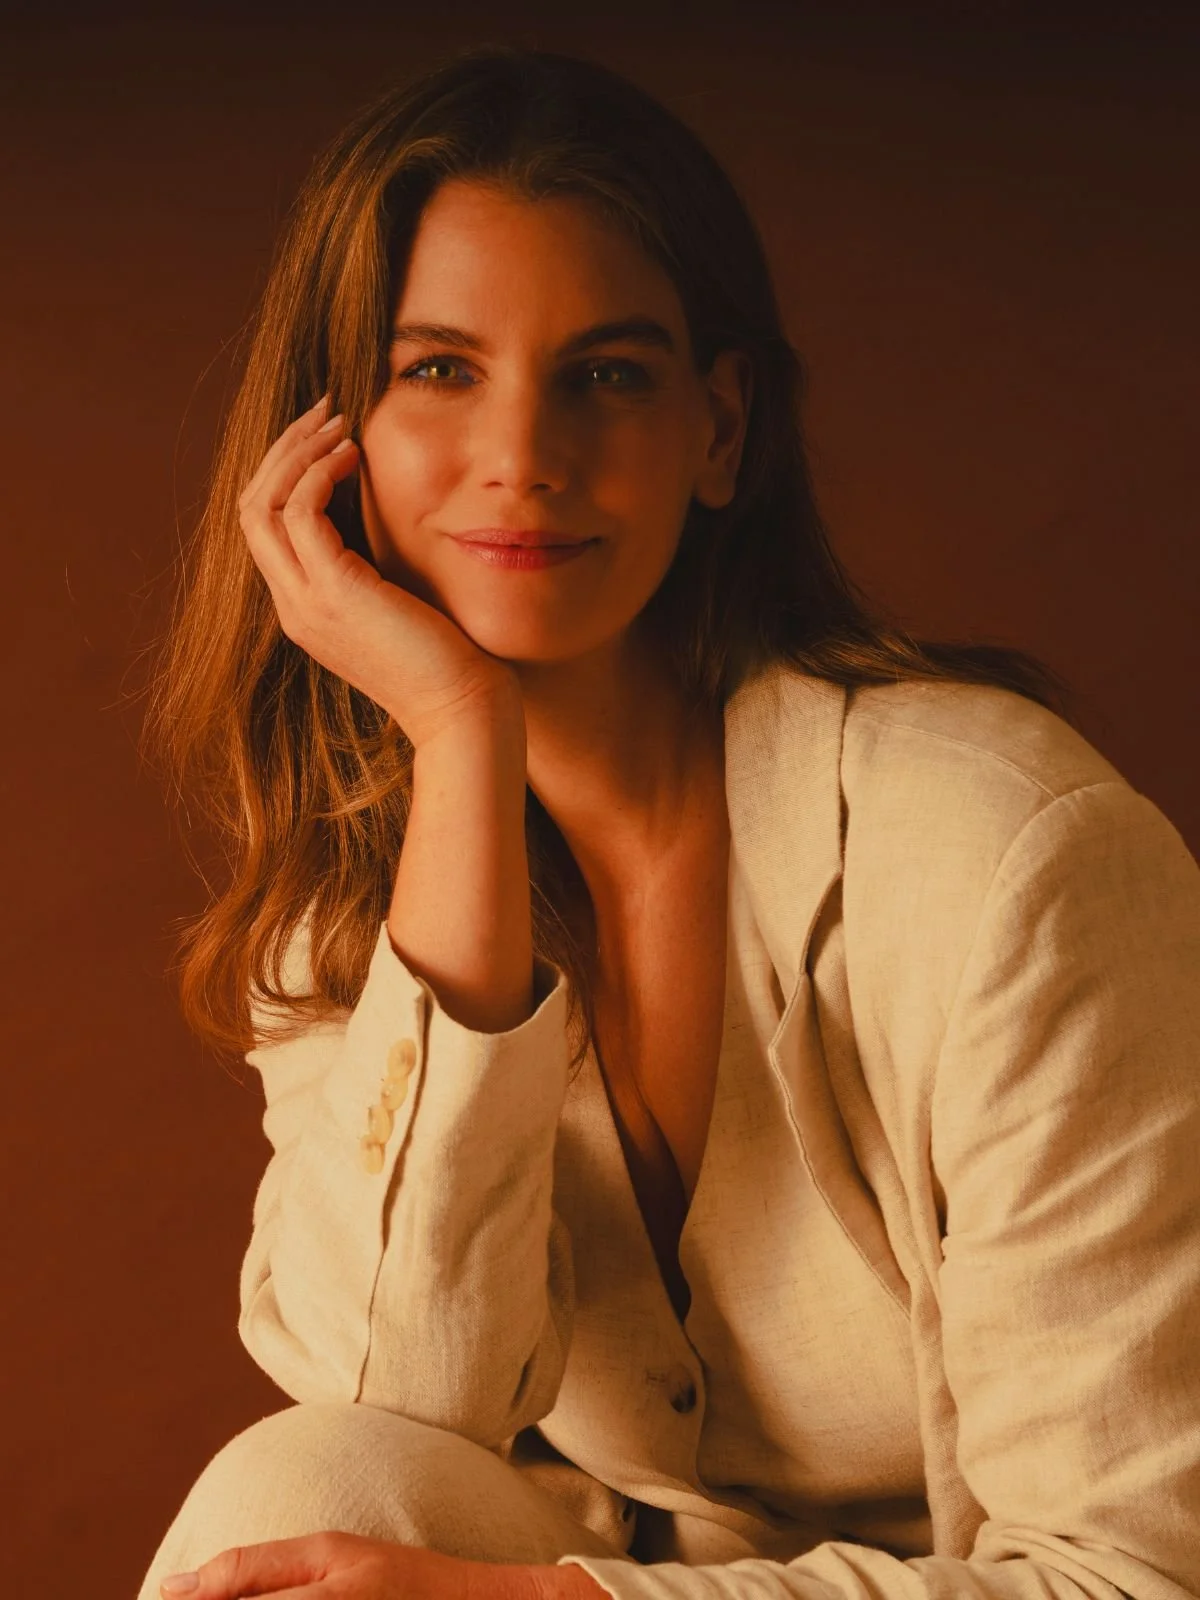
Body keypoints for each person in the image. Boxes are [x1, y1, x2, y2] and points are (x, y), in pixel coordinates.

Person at [134, 41, 1200, 1600]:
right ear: (329, 434)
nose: (522, 459)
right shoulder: (354, 893)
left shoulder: (1002, 859)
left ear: (719, 430)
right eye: (440, 370)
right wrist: (458, 742)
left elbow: (1139, 1575)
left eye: (607, 375)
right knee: (304, 1481)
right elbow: (396, 1396)